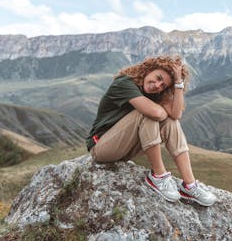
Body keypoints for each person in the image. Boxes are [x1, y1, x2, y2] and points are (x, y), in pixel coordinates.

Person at [86, 55, 216, 206]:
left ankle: (190, 185)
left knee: (171, 122)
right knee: (148, 114)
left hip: (125, 149)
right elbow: (156, 113)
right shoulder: (124, 83)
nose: (157, 85)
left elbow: (176, 115)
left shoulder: (155, 94)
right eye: (158, 77)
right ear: (149, 69)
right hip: (101, 147)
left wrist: (178, 84)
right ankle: (158, 175)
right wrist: (160, 108)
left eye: (163, 85)